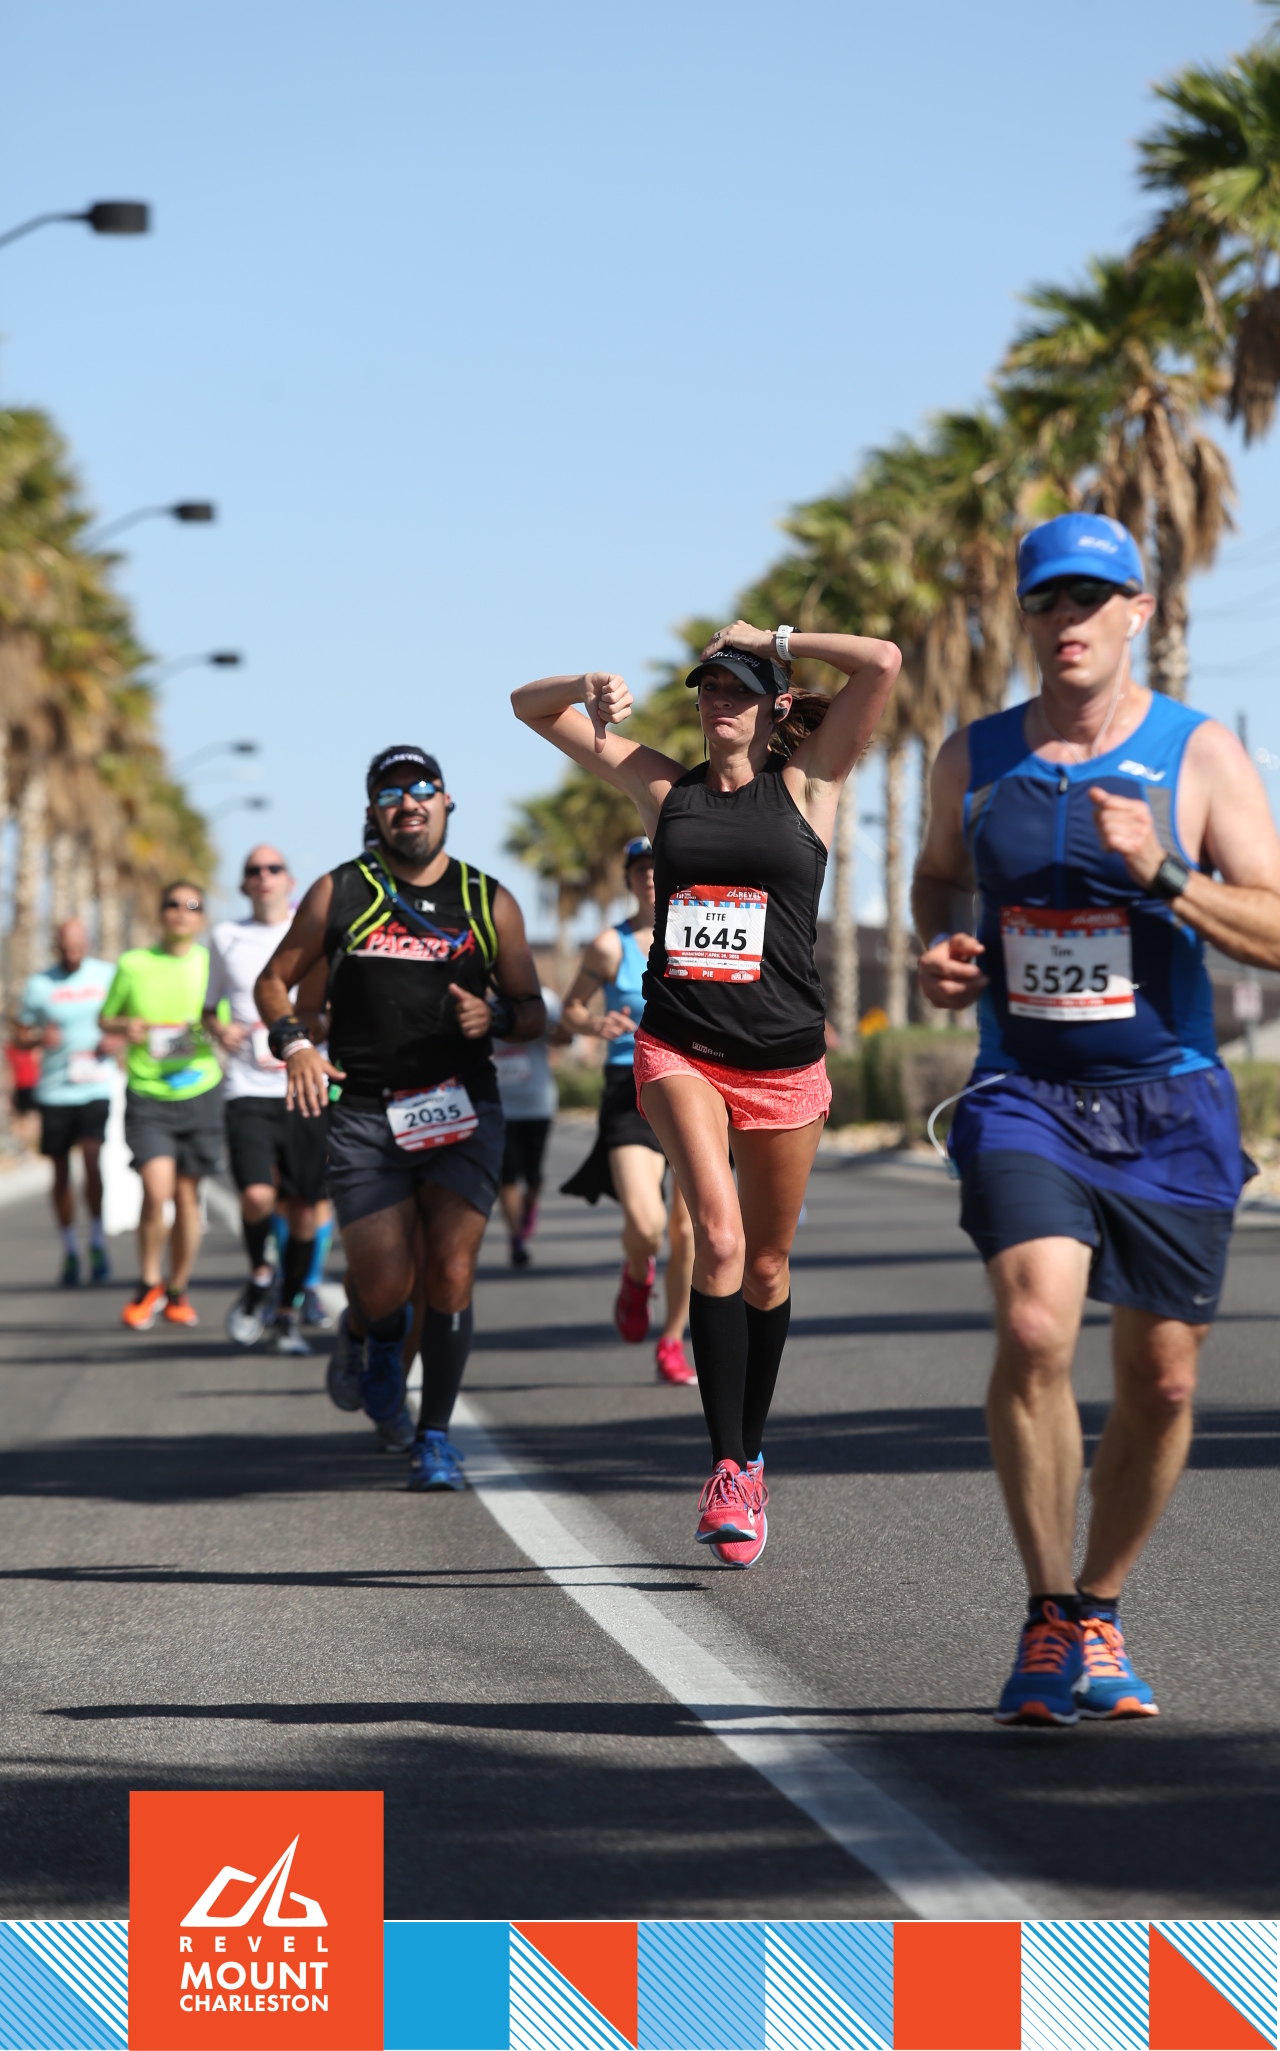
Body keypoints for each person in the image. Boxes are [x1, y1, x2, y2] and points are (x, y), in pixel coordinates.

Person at [913, 510, 1280, 1725]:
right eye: (1045, 600)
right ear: (1023, 617)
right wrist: (937, 947)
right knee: (1032, 1324)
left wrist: (1164, 870)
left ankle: (1101, 1606)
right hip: (1023, 1092)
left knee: (1161, 1380)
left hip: (1170, 1098)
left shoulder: (1196, 753)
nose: (1066, 619)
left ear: (1137, 612)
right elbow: (935, 879)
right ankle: (1044, 1610)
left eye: (1089, 598)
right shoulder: (971, 757)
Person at [513, 624, 899, 1566]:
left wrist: (774, 637)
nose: (717, 702)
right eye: (707, 688)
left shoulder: (810, 783)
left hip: (785, 1062)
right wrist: (583, 681)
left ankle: (752, 1455)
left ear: (774, 706)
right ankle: (725, 1466)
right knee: (717, 1238)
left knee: (765, 1265)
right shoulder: (664, 788)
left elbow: (883, 660)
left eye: (737, 689)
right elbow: (528, 709)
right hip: (681, 1045)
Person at [254, 745, 546, 1486]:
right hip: (366, 1115)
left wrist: (497, 1015)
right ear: (373, 812)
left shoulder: (488, 900)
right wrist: (295, 1044)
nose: (407, 802)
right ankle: (369, 1333)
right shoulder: (341, 891)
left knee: (449, 1269)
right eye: (390, 793)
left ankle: (434, 1436)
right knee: (385, 1280)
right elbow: (274, 981)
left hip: (462, 1107)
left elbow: (533, 1010)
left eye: (422, 789)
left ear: (446, 802)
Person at [560, 836, 696, 1384]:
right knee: (646, 1223)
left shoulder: (704, 930)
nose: (650, 876)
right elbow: (570, 1009)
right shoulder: (608, 946)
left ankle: (672, 1341)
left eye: (659, 865)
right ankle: (637, 1273)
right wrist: (593, 1023)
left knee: (690, 1232)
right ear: (629, 879)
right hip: (630, 1087)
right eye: (640, 868)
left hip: (697, 1088)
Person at [203, 846, 328, 1355]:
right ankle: (259, 1274)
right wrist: (221, 1031)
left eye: (274, 868)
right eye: (254, 870)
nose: (264, 876)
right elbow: (208, 1009)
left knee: (304, 1211)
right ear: (244, 884)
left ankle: (288, 1308)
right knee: (256, 1196)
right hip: (247, 1086)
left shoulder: (316, 934)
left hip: (306, 1088)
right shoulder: (225, 937)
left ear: (290, 881)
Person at [100, 880, 223, 1330]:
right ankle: (149, 1281)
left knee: (188, 1197)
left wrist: (211, 1031)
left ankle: (177, 1289)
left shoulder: (211, 964)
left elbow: (225, 1021)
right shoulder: (133, 964)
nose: (181, 912)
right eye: (172, 904)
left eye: (192, 905)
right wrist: (125, 1026)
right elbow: (105, 1017)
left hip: (200, 1089)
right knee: (156, 1192)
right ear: (161, 912)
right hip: (148, 1092)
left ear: (201, 917)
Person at [16, 919, 117, 1285]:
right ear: (56, 946)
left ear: (87, 943)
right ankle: (70, 1247)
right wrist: (38, 1039)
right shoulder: (39, 984)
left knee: (91, 1159)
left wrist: (116, 1041)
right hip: (55, 1089)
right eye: (66, 948)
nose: (73, 954)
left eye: (78, 947)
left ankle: (97, 1239)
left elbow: (126, 1020)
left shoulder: (106, 975)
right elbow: (21, 1034)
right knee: (59, 1171)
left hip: (95, 1085)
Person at [493, 983, 563, 1266]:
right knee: (507, 1175)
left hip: (537, 1102)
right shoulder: (485, 1004)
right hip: (500, 1104)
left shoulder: (546, 1000)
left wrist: (544, 1025)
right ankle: (517, 1238)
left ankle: (529, 1207)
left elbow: (566, 1037)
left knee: (533, 1176)